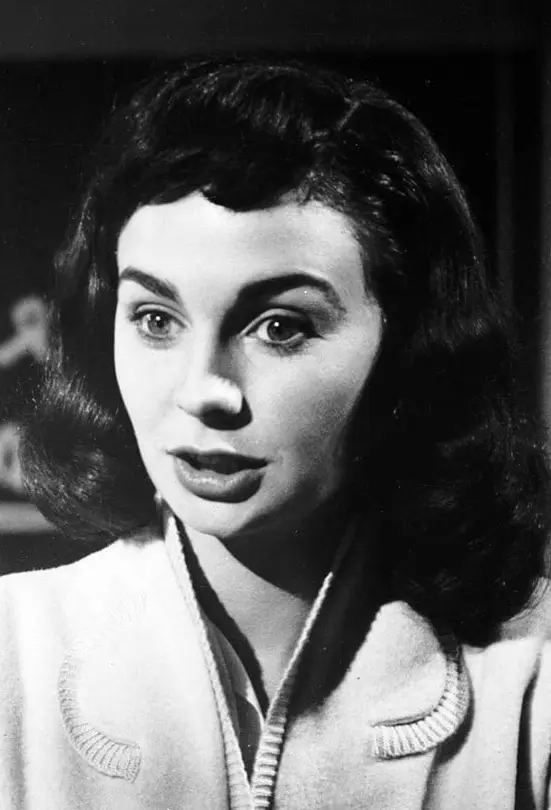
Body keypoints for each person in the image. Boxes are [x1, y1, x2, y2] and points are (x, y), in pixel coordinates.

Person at [1, 56, 550, 809]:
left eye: (279, 327)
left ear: (407, 346)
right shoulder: (12, 655)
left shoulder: (531, 678)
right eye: (155, 319)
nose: (204, 390)